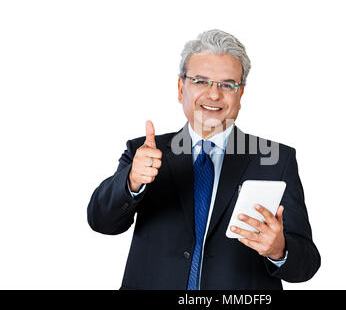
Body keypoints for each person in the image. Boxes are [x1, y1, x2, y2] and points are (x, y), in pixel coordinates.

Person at [87, 29, 320, 290]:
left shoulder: (275, 160)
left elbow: (307, 263)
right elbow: (101, 222)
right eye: (200, 81)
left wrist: (279, 250)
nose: (213, 94)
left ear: (240, 94)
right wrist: (131, 181)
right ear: (180, 87)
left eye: (227, 84)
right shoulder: (146, 152)